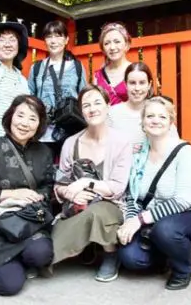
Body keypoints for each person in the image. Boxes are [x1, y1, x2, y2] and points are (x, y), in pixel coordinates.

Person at [117, 96, 191, 289]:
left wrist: (140, 220)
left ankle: (183, 268)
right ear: (143, 122)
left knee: (166, 230)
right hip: (152, 219)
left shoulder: (185, 153)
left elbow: (183, 201)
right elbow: (133, 197)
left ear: (170, 122)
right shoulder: (138, 155)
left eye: (162, 117)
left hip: (190, 216)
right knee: (130, 257)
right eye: (150, 116)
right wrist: (130, 221)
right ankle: (166, 255)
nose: (155, 120)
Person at [0, 95, 55, 296]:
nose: (25, 123)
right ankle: (10, 263)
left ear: (39, 124)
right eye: (20, 115)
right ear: (10, 117)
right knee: (9, 286)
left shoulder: (44, 152)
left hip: (28, 223)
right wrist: (13, 194)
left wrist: (35, 197)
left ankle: (23, 259)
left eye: (32, 118)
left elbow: (48, 187)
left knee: (42, 254)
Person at [50, 86, 131, 280]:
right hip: (78, 205)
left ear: (108, 106)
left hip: (111, 204)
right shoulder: (71, 143)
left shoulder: (121, 142)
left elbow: (118, 188)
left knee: (97, 212)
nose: (92, 109)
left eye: (97, 103)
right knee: (49, 249)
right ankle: (83, 246)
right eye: (86, 105)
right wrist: (71, 193)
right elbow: (59, 183)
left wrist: (86, 183)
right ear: (81, 111)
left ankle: (110, 254)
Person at [27, 19, 87, 158]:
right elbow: (30, 97)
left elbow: (84, 97)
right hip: (43, 132)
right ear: (45, 41)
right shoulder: (36, 68)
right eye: (49, 36)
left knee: (69, 167)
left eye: (58, 36)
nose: (53, 41)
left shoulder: (77, 67)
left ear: (66, 40)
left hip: (70, 129)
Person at [107, 61, 156, 149]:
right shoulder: (112, 114)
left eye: (142, 83)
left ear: (149, 85)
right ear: (125, 84)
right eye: (132, 83)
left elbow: (172, 145)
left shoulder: (159, 112)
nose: (137, 88)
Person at [92, 22, 132, 104]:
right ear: (103, 49)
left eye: (117, 42)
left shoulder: (135, 71)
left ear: (127, 45)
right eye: (107, 43)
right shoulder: (98, 76)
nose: (112, 47)